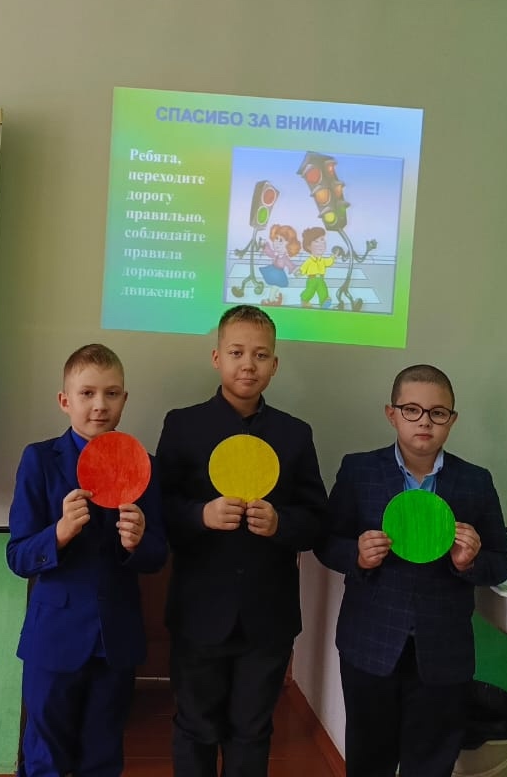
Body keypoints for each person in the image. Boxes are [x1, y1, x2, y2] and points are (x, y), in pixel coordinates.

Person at [315, 364, 507, 777]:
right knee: (368, 760)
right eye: (412, 410)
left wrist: (470, 562)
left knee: (431, 764)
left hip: (444, 652)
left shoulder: (475, 482)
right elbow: (326, 542)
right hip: (369, 644)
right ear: (392, 415)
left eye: (437, 413)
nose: (425, 421)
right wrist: (357, 555)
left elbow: (502, 563)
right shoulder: (359, 471)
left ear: (452, 420)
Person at [156, 305, 327, 777]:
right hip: (198, 612)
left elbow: (317, 520)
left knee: (252, 730)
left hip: (267, 617)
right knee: (195, 726)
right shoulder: (183, 425)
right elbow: (160, 509)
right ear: (217, 358)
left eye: (260, 355)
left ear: (275, 364)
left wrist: (281, 523)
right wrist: (201, 515)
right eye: (236, 352)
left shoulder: (295, 435)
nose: (248, 364)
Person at [6, 343, 168, 777]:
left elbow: (158, 555)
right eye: (87, 393)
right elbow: (18, 556)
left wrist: (137, 543)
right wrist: (58, 533)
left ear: (125, 399)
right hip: (54, 638)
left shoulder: (143, 466)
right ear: (65, 401)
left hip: (116, 639)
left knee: (103, 755)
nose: (100, 405)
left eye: (111, 394)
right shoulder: (40, 460)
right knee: (44, 756)